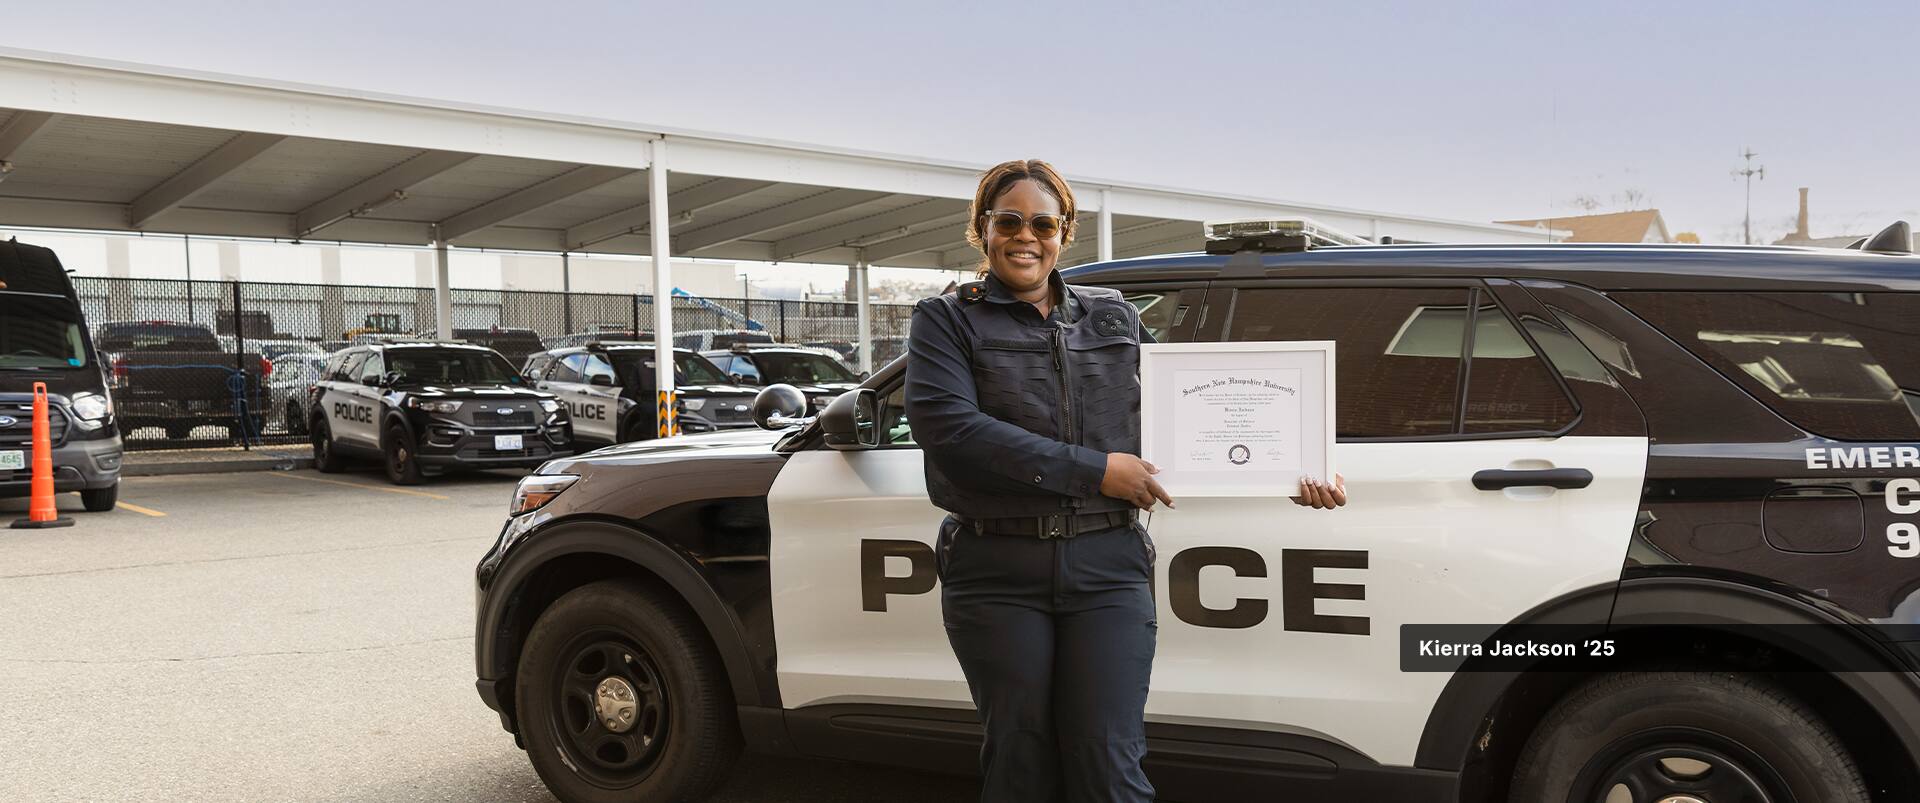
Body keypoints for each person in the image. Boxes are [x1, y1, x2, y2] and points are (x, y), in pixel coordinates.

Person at [906, 159, 1347, 803]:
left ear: (1065, 233)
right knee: (1020, 763)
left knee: (1110, 766)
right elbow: (952, 429)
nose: (1025, 236)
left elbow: (1182, 419)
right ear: (982, 228)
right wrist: (1097, 471)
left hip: (1106, 564)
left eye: (1042, 223)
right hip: (996, 568)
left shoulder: (1111, 316)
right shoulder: (946, 320)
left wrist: (1287, 464)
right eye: (1009, 221)